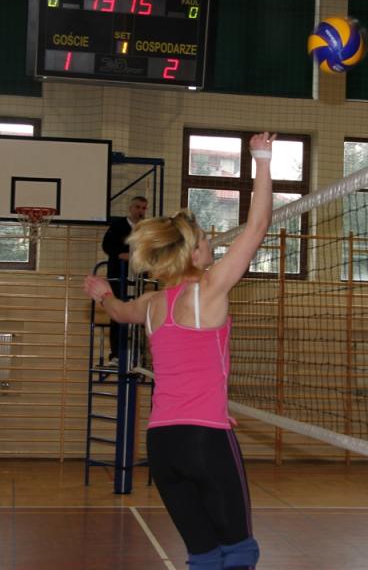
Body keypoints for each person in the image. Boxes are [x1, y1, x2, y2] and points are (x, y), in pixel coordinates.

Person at [85, 132, 275, 570]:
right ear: (191, 253)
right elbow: (258, 227)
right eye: (206, 238)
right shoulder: (208, 290)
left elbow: (120, 312)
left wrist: (102, 294)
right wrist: (262, 160)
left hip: (163, 444)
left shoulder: (152, 304)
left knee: (203, 556)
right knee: (238, 553)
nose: (212, 244)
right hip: (206, 439)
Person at [101, 194, 149, 366]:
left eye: (143, 208)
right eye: (138, 207)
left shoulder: (146, 228)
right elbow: (107, 245)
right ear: (131, 208)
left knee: (139, 313)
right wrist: (120, 254)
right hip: (118, 275)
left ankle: (137, 354)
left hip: (138, 277)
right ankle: (116, 354)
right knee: (117, 313)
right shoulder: (118, 225)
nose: (140, 211)